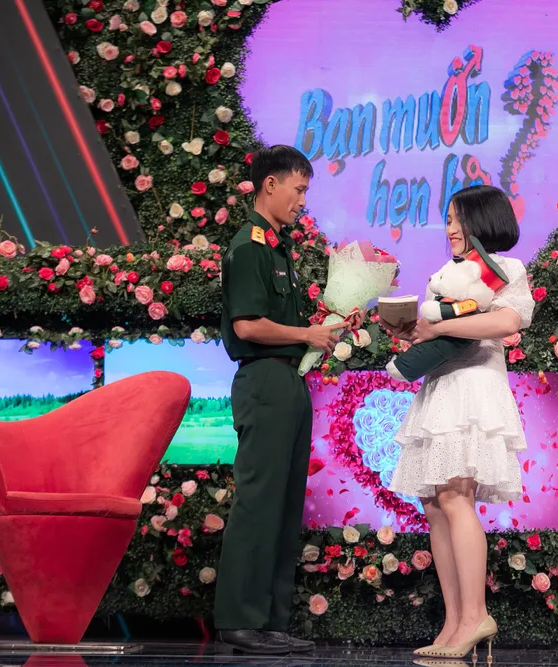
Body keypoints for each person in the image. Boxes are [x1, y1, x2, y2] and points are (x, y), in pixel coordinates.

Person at [386, 185, 536, 660]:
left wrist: (440, 326)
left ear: (481, 220)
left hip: (473, 390)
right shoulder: (447, 275)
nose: (449, 228)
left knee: (455, 497)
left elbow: (505, 322)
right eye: (448, 219)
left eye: (456, 219)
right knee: (435, 504)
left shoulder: (505, 269)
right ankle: (453, 622)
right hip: (440, 389)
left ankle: (476, 616)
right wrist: (413, 332)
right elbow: (441, 331)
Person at [214, 145, 350, 654]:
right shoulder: (249, 246)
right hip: (264, 379)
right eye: (299, 189)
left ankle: (270, 621)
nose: (302, 200)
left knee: (285, 504)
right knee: (259, 501)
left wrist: (327, 328)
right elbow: (248, 325)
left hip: (288, 379)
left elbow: (285, 326)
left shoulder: (277, 246)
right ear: (270, 184)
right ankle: (239, 619)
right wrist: (308, 334)